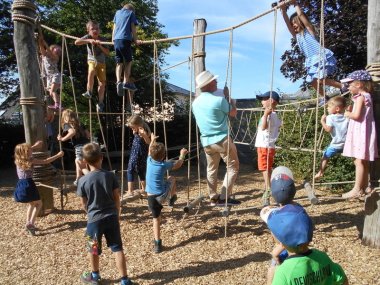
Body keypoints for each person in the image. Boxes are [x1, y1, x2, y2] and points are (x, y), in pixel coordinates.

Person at [261, 193, 348, 284]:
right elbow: (343, 280)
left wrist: (272, 272)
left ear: (281, 242)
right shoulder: (322, 258)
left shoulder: (284, 272)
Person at [77, 143, 132, 285]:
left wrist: (89, 213)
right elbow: (117, 198)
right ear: (101, 158)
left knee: (93, 249)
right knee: (117, 248)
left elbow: (83, 203)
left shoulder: (82, 180)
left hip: (94, 220)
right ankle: (124, 280)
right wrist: (117, 213)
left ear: (84, 161)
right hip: (112, 217)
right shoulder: (110, 176)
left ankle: (95, 276)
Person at [280, 1, 347, 101]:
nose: (293, 25)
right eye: (292, 23)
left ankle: (342, 86)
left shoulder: (309, 30)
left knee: (320, 80)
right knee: (312, 81)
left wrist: (296, 4)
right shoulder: (296, 37)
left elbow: (301, 15)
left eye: (295, 22)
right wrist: (283, 11)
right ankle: (325, 96)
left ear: (301, 22)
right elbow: (287, 23)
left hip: (320, 56)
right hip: (311, 61)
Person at [192, 70, 240, 206]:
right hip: (222, 139)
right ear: (208, 84)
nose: (216, 82)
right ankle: (224, 198)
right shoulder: (219, 101)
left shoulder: (195, 103)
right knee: (233, 166)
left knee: (211, 168)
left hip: (206, 141)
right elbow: (233, 113)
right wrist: (228, 98)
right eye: (214, 80)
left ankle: (213, 197)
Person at [146, 133, 188, 253]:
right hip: (161, 196)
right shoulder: (164, 165)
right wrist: (182, 155)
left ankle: (157, 244)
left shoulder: (149, 160)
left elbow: (149, 150)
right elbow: (179, 164)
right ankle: (171, 198)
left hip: (151, 197)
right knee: (172, 178)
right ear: (163, 155)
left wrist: (152, 140)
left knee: (156, 219)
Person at [341, 70, 378, 199]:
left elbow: (356, 116)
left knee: (358, 161)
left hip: (359, 132)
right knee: (363, 160)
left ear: (359, 85)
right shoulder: (367, 96)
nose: (348, 87)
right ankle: (364, 186)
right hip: (365, 132)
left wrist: (346, 114)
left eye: (350, 84)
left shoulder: (360, 97)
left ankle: (357, 189)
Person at [14, 141, 64, 235]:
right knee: (39, 204)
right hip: (28, 184)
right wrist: (58, 155)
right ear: (26, 152)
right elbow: (45, 161)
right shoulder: (30, 160)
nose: (31, 151)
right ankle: (31, 224)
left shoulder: (18, 159)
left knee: (31, 204)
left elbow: (23, 150)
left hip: (21, 184)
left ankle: (28, 223)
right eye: (29, 150)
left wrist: (35, 146)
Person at [260, 166, 298, 284]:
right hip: (300, 247)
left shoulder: (273, 215)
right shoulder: (299, 210)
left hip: (283, 248)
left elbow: (264, 212)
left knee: (273, 266)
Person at [75, 20, 110, 113]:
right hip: (92, 60)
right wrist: (88, 40)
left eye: (97, 29)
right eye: (92, 29)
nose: (95, 30)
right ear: (88, 31)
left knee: (102, 83)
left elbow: (107, 53)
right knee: (91, 71)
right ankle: (89, 91)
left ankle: (101, 103)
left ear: (99, 30)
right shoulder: (88, 37)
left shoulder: (103, 39)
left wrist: (100, 45)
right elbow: (76, 42)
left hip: (101, 62)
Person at [254, 91, 282, 206]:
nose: (261, 101)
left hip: (264, 145)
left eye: (264, 99)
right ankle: (268, 186)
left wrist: (265, 115)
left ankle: (268, 188)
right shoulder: (275, 115)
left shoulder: (269, 114)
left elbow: (264, 127)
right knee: (268, 167)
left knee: (264, 168)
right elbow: (280, 124)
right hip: (270, 146)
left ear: (271, 101)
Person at [315, 96, 349, 179]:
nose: (327, 108)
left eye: (329, 107)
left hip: (336, 144)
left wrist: (322, 121)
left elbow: (328, 129)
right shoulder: (347, 116)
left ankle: (320, 172)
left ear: (337, 109)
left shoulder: (330, 117)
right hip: (346, 144)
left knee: (325, 155)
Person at [112, 2, 141, 98]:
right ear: (131, 10)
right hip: (125, 40)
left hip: (116, 40)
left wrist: (113, 39)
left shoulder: (117, 13)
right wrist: (136, 40)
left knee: (119, 62)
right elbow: (133, 28)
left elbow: (114, 27)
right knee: (128, 61)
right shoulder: (131, 13)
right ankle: (125, 82)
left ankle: (118, 81)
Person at [57, 109, 90, 186]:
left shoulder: (67, 124)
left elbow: (72, 132)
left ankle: (88, 178)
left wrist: (62, 139)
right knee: (80, 162)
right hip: (88, 145)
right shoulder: (80, 124)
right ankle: (78, 179)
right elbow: (88, 135)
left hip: (80, 147)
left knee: (79, 162)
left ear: (65, 117)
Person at [125, 115, 151, 197]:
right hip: (136, 151)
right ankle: (145, 189)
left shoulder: (143, 130)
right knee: (140, 171)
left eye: (133, 127)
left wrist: (144, 135)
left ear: (138, 124)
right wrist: (135, 132)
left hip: (138, 153)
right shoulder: (138, 129)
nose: (132, 129)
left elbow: (149, 142)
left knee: (130, 169)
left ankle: (130, 190)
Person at [38, 31, 62, 110]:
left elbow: (49, 51)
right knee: (51, 92)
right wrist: (40, 41)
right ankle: (58, 104)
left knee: (52, 91)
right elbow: (42, 49)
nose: (58, 52)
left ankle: (57, 105)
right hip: (49, 77)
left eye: (59, 52)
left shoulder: (56, 58)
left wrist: (45, 44)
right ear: (52, 49)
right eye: (57, 50)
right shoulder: (45, 56)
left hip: (55, 75)